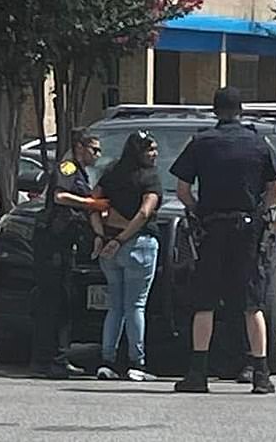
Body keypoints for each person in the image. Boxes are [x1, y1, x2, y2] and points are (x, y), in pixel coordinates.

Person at [169, 86, 276, 394]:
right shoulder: (258, 144)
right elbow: (275, 192)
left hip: (212, 229)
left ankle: (198, 374)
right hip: (248, 231)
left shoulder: (200, 143)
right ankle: (260, 375)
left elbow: (183, 191)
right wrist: (258, 213)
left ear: (215, 111)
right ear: (241, 111)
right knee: (252, 304)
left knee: (205, 302)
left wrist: (199, 212)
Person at [30, 128, 109, 379]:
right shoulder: (68, 168)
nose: (98, 154)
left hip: (64, 244)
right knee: (55, 302)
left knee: (59, 302)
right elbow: (60, 196)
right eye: (94, 149)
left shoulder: (82, 172)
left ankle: (52, 358)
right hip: (53, 243)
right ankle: (52, 360)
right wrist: (91, 204)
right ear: (79, 147)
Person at [90, 130, 162, 381]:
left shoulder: (111, 173)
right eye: (150, 149)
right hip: (138, 245)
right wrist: (122, 239)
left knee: (115, 307)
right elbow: (144, 213)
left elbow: (93, 203)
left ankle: (106, 361)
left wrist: (101, 235)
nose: (155, 154)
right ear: (139, 152)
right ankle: (137, 364)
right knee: (135, 306)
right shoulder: (149, 177)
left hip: (109, 246)